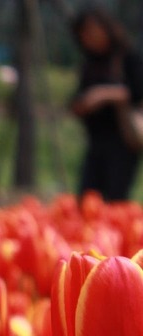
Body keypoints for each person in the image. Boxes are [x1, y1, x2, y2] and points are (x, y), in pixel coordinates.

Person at [69, 5, 143, 202]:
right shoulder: (90, 62)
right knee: (87, 197)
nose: (88, 37)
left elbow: (137, 92)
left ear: (105, 27)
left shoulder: (127, 56)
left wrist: (105, 95)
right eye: (83, 33)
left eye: (92, 30)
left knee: (115, 199)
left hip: (122, 141)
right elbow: (77, 96)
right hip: (95, 141)